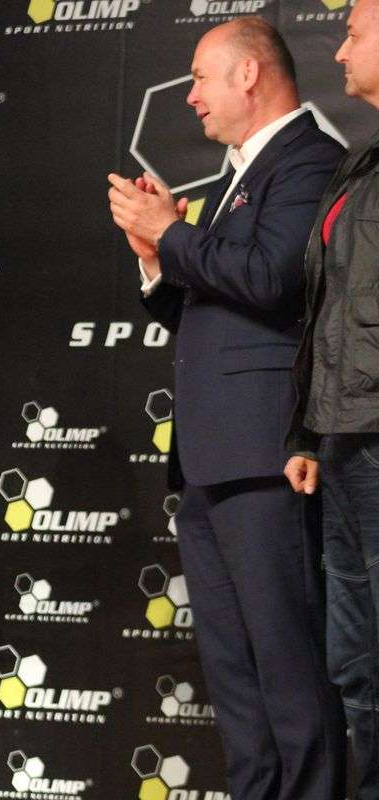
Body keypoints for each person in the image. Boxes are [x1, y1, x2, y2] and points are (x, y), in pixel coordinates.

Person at [107, 17, 346, 800]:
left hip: (266, 455)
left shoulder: (309, 159)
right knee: (236, 680)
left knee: (287, 667)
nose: (192, 97)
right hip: (212, 460)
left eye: (201, 78)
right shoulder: (240, 175)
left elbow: (273, 278)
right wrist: (158, 257)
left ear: (248, 75)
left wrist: (173, 234)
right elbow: (210, 306)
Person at [285, 1, 379, 795]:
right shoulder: (361, 162)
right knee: (357, 666)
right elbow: (329, 310)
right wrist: (308, 433)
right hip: (345, 441)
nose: (340, 49)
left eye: (354, 32)